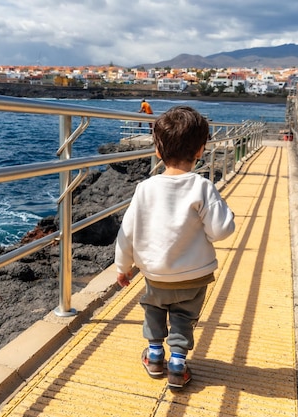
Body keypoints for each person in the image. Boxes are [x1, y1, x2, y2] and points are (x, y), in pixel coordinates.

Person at [114, 105, 235, 390]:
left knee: (153, 309)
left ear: (158, 150)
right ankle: (177, 367)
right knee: (184, 317)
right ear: (201, 150)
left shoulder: (145, 188)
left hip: (155, 274)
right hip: (194, 275)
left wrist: (124, 268)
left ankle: (155, 358)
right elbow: (221, 231)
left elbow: (126, 233)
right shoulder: (202, 187)